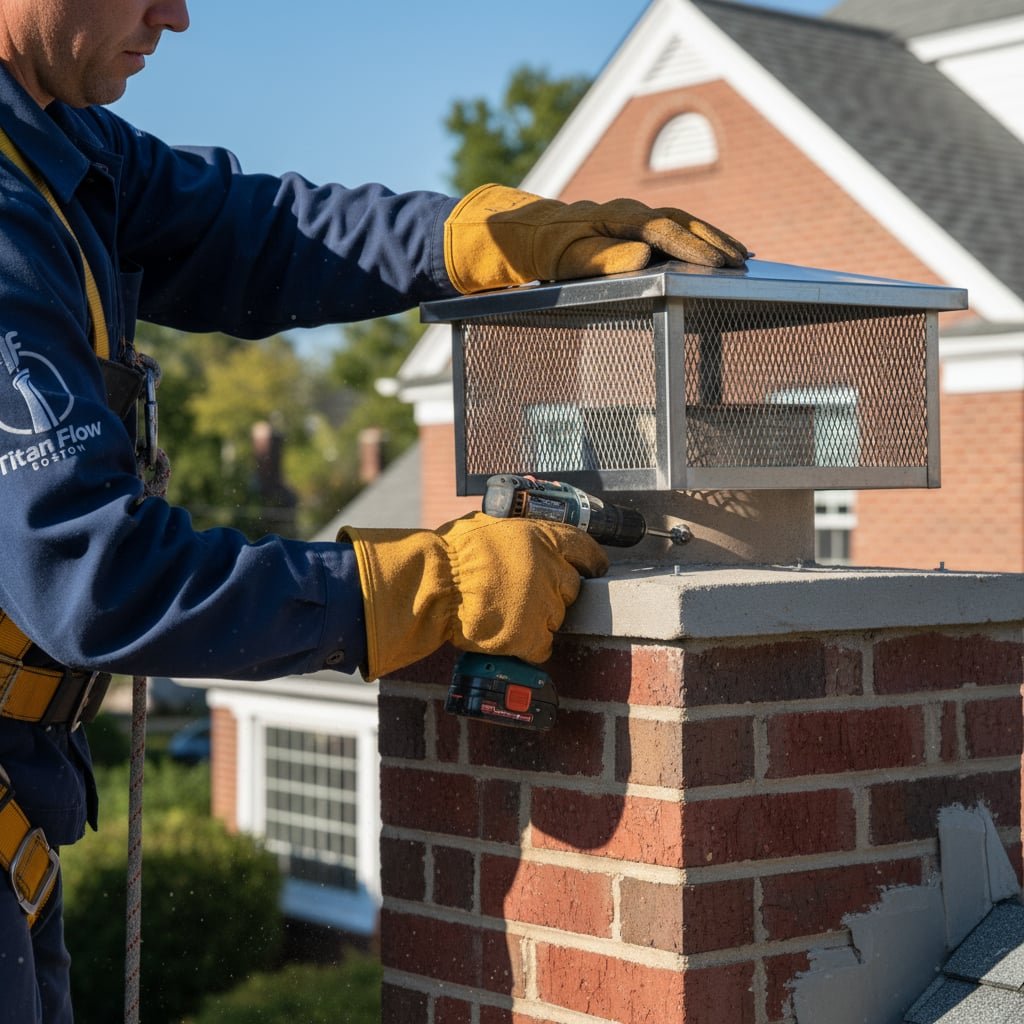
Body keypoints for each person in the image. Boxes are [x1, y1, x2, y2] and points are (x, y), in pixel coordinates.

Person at [0, 2, 749, 1020]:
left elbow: (251, 229)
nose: (175, 17)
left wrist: (469, 237)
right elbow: (96, 580)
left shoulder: (51, 143)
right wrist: (425, 586)